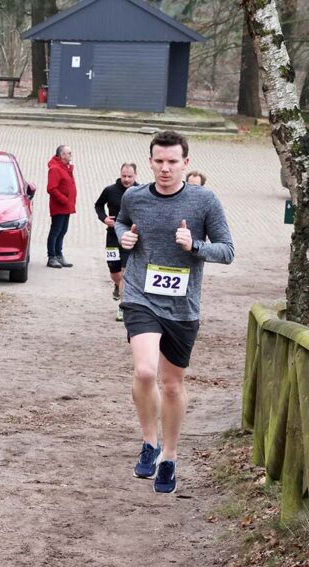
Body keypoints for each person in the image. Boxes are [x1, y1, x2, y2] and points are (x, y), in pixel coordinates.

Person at [116, 130, 233, 494]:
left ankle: (169, 456)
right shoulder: (134, 196)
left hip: (182, 305)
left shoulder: (204, 201)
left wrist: (195, 245)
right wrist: (125, 237)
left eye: (172, 162)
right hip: (140, 294)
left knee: (172, 384)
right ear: (149, 161)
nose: (165, 168)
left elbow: (227, 250)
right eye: (159, 161)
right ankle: (149, 442)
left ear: (186, 163)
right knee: (145, 370)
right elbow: (122, 221)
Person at [95, 163, 139, 321]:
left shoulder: (140, 192)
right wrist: (104, 218)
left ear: (136, 176)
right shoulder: (110, 190)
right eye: (124, 176)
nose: (126, 179)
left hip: (130, 237)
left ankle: (122, 308)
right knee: (115, 273)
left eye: (130, 176)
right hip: (112, 236)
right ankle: (116, 285)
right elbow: (98, 205)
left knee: (125, 273)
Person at [46, 144, 77, 268]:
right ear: (62, 155)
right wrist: (64, 199)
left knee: (62, 230)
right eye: (69, 153)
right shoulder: (55, 168)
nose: (70, 155)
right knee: (56, 230)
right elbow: (51, 188)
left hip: (66, 206)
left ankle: (59, 254)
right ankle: (51, 256)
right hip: (60, 206)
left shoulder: (65, 167)